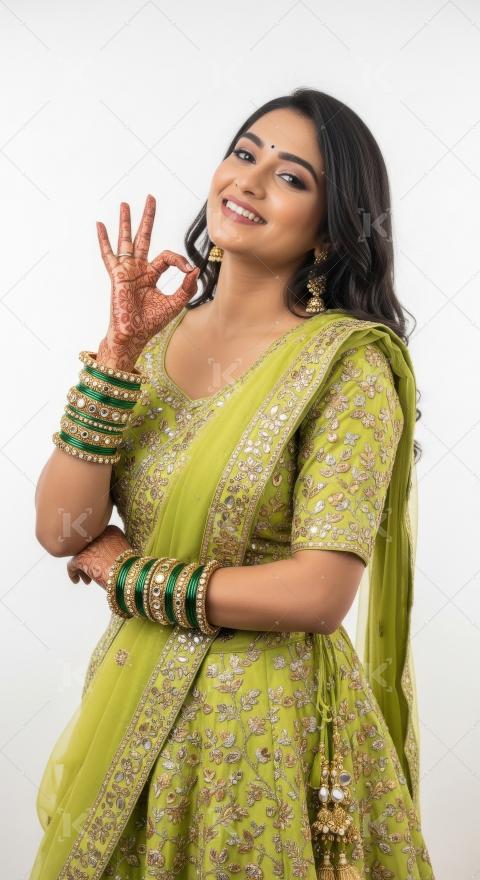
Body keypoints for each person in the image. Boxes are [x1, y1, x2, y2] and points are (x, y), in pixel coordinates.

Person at [30, 88, 435, 879]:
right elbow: (60, 529)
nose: (248, 180)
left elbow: (318, 594)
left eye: (291, 177)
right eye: (245, 154)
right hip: (131, 707)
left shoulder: (347, 367)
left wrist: (127, 576)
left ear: (330, 231)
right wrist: (117, 352)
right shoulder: (154, 342)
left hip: (263, 728)